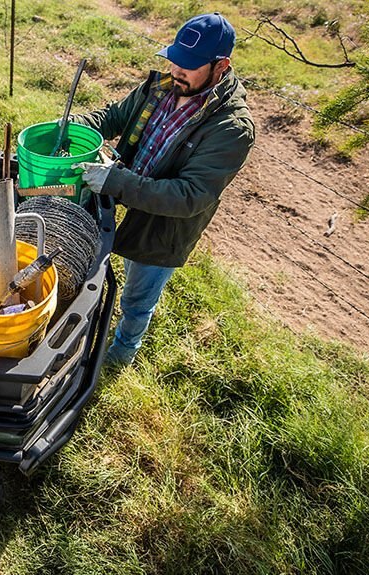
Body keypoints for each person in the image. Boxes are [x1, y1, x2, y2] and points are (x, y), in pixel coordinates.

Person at [71, 12, 255, 367]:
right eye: (175, 61)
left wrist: (115, 181)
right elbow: (111, 117)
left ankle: (123, 351)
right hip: (122, 190)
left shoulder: (232, 128)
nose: (177, 72)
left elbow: (189, 196)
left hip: (165, 223)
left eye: (189, 66)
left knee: (138, 296)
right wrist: (73, 127)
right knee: (88, 264)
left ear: (221, 67)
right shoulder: (161, 87)